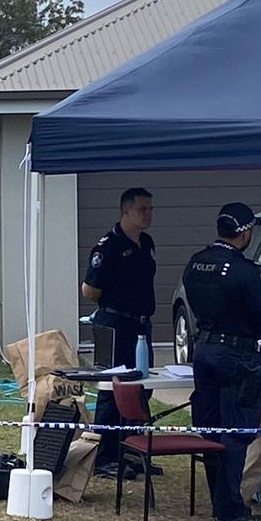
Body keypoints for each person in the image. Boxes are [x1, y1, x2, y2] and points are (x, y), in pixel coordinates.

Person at [182, 202, 261, 521]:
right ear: (244, 232)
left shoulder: (196, 263)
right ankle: (230, 509)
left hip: (204, 350)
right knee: (235, 432)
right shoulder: (244, 272)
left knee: (210, 429)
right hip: (236, 356)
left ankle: (219, 500)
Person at [82, 187, 156, 478]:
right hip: (114, 324)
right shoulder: (108, 246)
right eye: (142, 209)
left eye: (150, 209)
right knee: (111, 390)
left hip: (140, 324)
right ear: (125, 212)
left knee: (141, 387)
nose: (148, 214)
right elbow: (89, 289)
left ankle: (131, 449)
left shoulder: (147, 242)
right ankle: (104, 455)